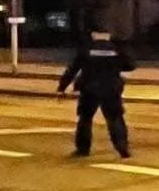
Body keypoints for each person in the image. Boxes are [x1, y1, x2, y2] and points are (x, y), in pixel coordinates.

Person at [57, 27, 134, 158]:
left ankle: (83, 149)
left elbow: (73, 68)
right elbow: (130, 65)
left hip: (89, 89)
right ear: (108, 35)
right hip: (111, 88)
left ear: (94, 35)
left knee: (85, 119)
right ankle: (122, 148)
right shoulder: (116, 49)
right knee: (115, 118)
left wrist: (62, 87)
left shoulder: (86, 49)